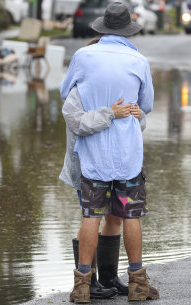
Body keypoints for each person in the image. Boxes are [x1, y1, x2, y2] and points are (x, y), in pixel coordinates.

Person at [60, 2, 159, 303]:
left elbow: (66, 92)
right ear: (129, 29)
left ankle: (82, 287)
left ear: (102, 27)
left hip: (93, 158)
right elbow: (147, 105)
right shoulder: (138, 60)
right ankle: (138, 285)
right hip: (128, 157)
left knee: (91, 216)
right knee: (130, 215)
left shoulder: (82, 56)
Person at [60, 75, 147, 299]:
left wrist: (139, 115)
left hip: (115, 165)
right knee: (91, 218)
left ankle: (109, 277)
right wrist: (109, 113)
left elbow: (136, 125)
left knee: (116, 218)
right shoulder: (78, 92)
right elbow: (76, 123)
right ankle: (88, 282)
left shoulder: (116, 85)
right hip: (86, 166)